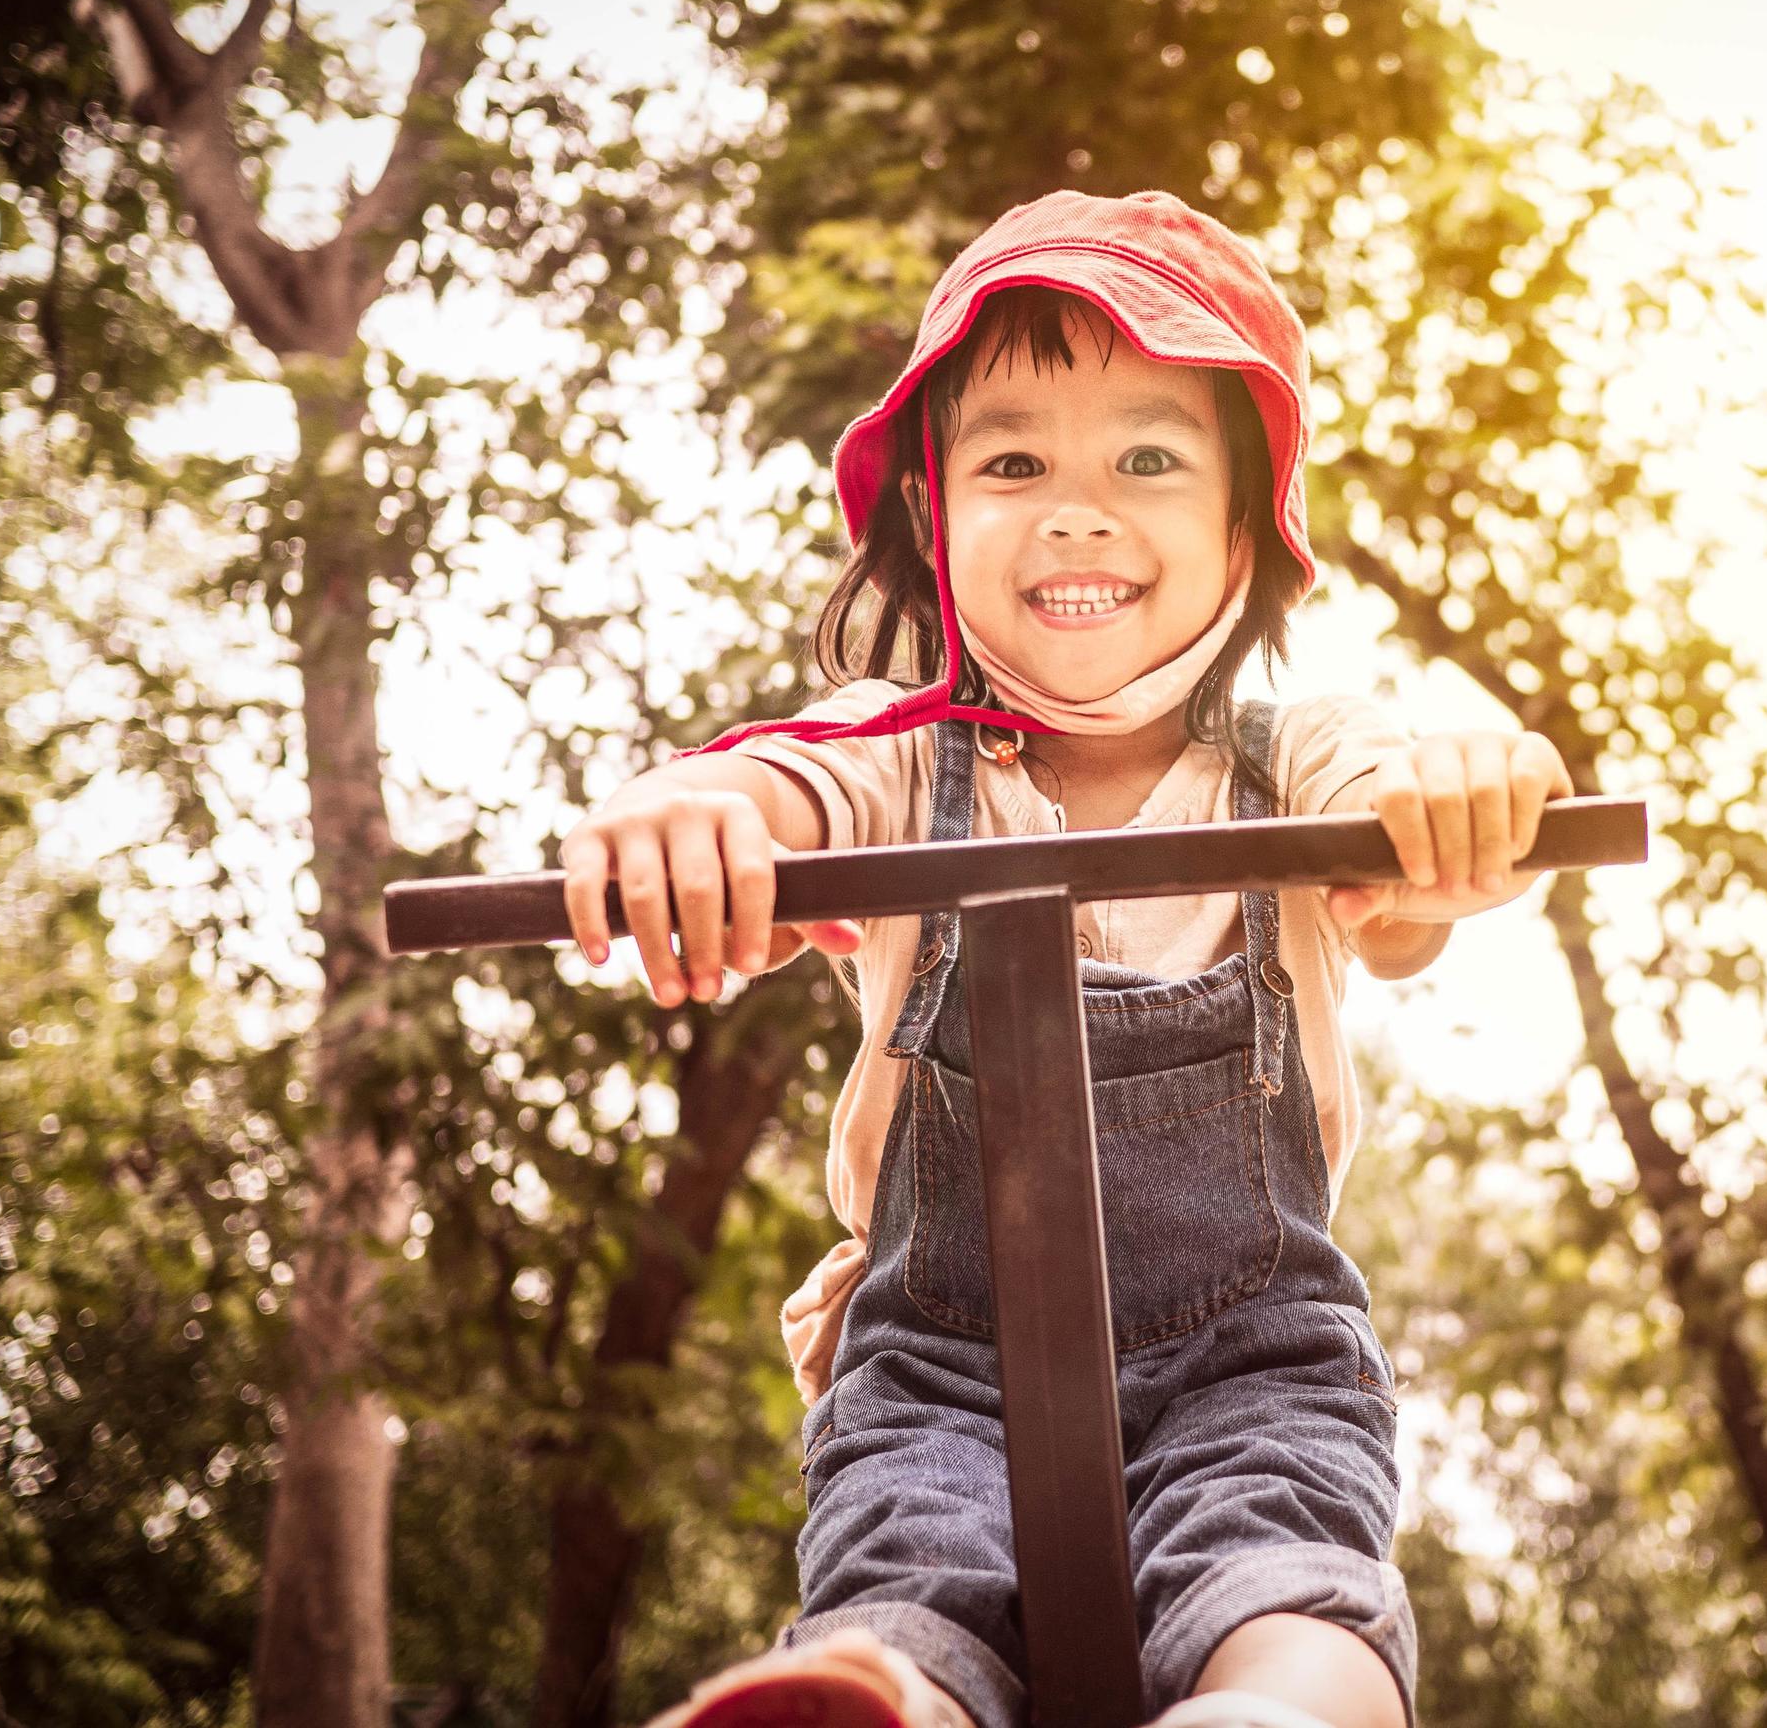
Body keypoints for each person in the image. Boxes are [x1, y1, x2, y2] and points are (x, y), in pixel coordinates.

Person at [558, 190, 1574, 1728]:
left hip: (1252, 1359)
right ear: (931, 518)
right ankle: (877, 1705)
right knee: (904, 1579)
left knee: (1289, 1583)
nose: (1076, 510)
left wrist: (1458, 797)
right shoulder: (898, 761)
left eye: (1147, 459)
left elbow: (1406, 837)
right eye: (1013, 460)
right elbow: (767, 787)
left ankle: (1266, 1720)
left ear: (1244, 528)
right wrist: (686, 818)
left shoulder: (1298, 754)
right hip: (937, 1370)